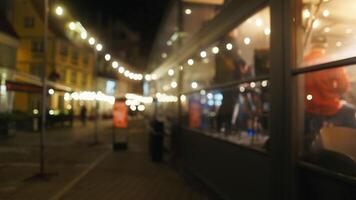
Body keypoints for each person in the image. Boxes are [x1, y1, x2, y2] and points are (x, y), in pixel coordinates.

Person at [304, 35, 356, 151]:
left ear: (312, 45)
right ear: (325, 46)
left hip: (309, 108)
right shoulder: (329, 60)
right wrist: (333, 94)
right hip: (330, 107)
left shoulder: (303, 61)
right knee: (351, 110)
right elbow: (344, 85)